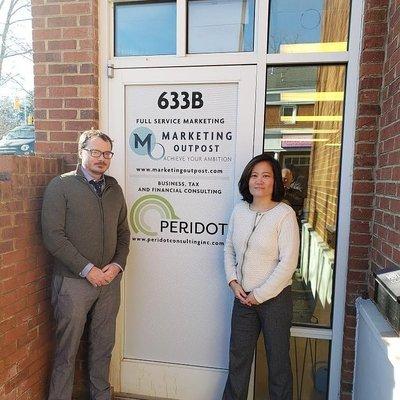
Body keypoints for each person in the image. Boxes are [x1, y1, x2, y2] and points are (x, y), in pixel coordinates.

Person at [41, 129, 131, 400]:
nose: (101, 158)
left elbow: (124, 233)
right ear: (80, 152)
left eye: (106, 153)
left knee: (103, 346)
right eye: (95, 152)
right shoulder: (61, 186)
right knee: (66, 351)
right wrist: (87, 269)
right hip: (73, 283)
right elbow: (53, 236)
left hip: (109, 282)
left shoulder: (114, 189)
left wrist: (116, 266)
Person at [222, 153, 300, 400]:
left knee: (278, 364)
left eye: (266, 176)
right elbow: (229, 248)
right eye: (254, 175)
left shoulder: (284, 215)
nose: (259, 181)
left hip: (274, 302)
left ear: (275, 181)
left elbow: (288, 263)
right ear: (247, 180)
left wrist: (260, 295)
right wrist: (233, 282)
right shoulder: (239, 210)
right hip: (242, 299)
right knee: (238, 363)